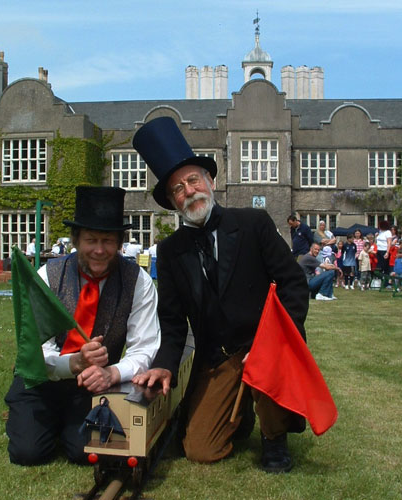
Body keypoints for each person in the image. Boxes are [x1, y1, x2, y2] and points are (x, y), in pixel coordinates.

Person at [131, 117, 309, 473]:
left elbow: (293, 283)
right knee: (200, 450)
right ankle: (239, 414)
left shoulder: (253, 224)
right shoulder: (169, 252)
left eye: (193, 179)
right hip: (218, 356)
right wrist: (164, 364)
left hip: (265, 342)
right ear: (172, 201)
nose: (189, 191)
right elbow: (172, 320)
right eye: (178, 188)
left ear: (210, 181)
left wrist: (274, 340)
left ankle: (275, 438)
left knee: (268, 364)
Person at [4, 186, 161, 465]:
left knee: (85, 452)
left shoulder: (138, 282)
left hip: (94, 387)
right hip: (42, 381)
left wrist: (111, 373)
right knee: (27, 453)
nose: (99, 250)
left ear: (120, 243)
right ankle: (41, 424)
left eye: (108, 240)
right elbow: (34, 348)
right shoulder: (47, 276)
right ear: (76, 240)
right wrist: (73, 363)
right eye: (91, 240)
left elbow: (144, 348)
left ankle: (67, 427)